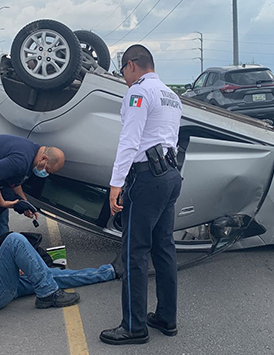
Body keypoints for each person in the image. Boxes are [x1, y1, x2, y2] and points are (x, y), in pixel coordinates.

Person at [100, 45, 183, 345]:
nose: (123, 76)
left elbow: (130, 140)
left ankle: (134, 326)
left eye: (122, 70)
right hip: (170, 176)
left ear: (132, 65)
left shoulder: (138, 93)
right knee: (164, 248)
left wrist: (116, 183)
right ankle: (166, 317)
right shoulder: (171, 96)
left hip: (147, 178)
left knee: (134, 251)